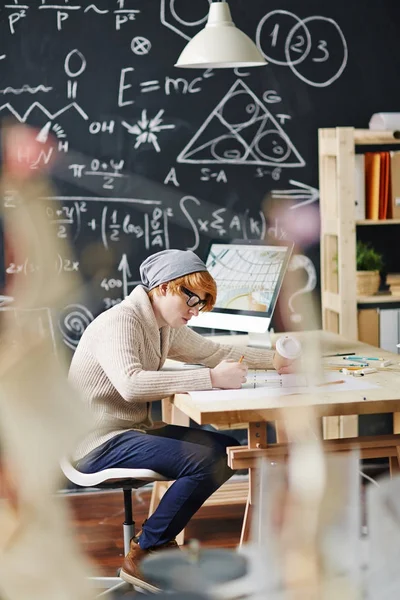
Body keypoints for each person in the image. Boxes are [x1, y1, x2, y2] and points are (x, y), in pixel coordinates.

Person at [68, 249, 294, 591]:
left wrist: (276, 360)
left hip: (129, 431)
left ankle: (154, 541)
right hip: (96, 441)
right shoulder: (122, 321)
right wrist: (211, 379)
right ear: (163, 287)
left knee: (227, 450)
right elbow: (131, 384)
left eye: (201, 303)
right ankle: (146, 551)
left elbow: (213, 353)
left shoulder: (163, 325)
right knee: (205, 460)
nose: (195, 310)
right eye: (191, 298)